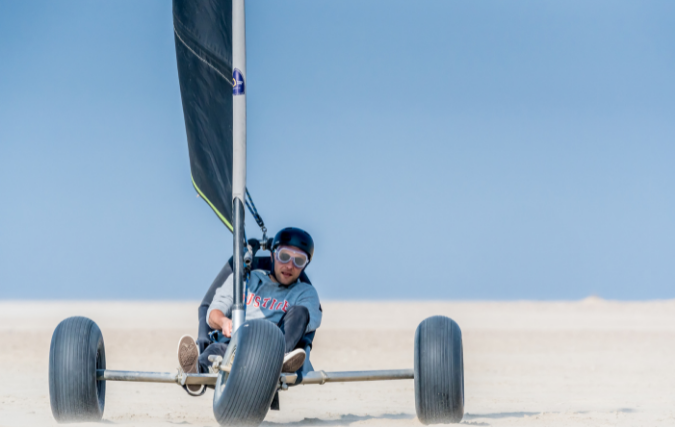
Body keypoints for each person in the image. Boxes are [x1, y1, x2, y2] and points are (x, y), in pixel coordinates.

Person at [177, 227, 322, 394]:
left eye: (299, 261)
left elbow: (308, 322)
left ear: (305, 265)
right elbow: (212, 313)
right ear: (273, 255)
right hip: (235, 347)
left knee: (300, 312)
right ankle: (196, 374)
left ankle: (279, 362)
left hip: (273, 348)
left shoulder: (305, 292)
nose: (290, 265)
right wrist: (224, 322)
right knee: (213, 352)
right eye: (284, 256)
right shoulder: (245, 280)